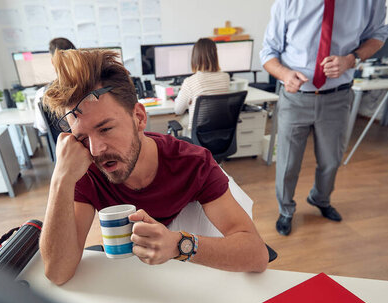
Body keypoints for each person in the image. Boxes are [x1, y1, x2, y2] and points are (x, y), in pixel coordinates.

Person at [40, 49, 268, 285]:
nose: (96, 150)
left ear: (139, 117)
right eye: (82, 137)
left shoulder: (193, 162)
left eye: (106, 129)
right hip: (136, 287)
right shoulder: (84, 168)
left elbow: (256, 254)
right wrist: (60, 179)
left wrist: (178, 245)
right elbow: (58, 273)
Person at [260, 0, 388, 236]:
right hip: (296, 98)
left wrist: (351, 59)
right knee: (288, 163)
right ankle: (286, 210)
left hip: (337, 98)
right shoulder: (288, 2)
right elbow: (268, 53)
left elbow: (378, 35)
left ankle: (320, 199)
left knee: (331, 160)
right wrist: (285, 74)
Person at [173, 38, 230, 131]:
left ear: (195, 57)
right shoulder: (225, 77)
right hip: (221, 132)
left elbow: (178, 110)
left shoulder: (190, 81)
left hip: (198, 135)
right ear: (215, 56)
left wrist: (189, 101)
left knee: (181, 122)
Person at [32, 37, 76, 134]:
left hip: (64, 147)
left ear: (53, 62)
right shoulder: (95, 86)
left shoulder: (42, 94)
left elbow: (42, 127)